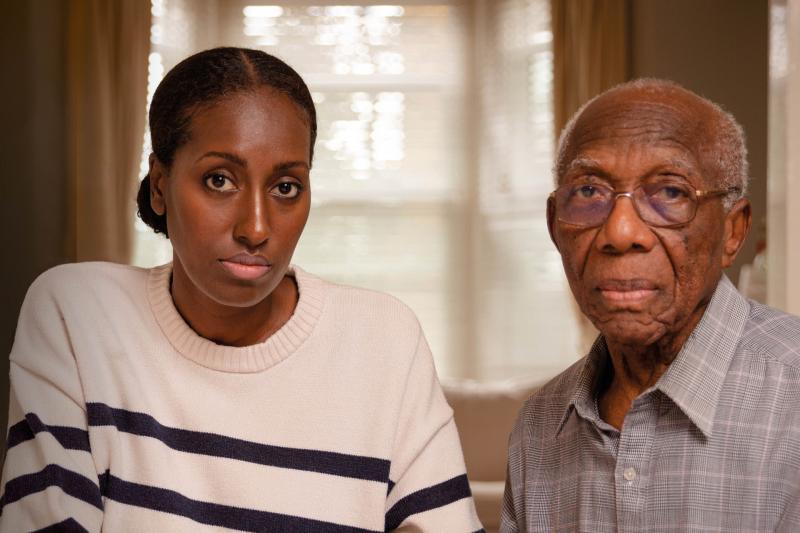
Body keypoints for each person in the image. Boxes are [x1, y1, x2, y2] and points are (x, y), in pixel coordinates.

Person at [0, 47, 482, 532]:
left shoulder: (384, 338)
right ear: (161, 185)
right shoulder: (77, 313)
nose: (256, 227)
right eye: (219, 180)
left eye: (286, 187)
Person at [501, 79, 800, 532]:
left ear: (732, 232)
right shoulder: (539, 426)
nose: (620, 233)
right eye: (587, 193)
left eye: (670, 192)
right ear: (554, 227)